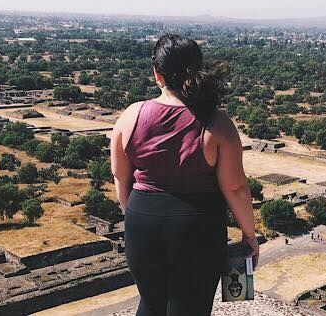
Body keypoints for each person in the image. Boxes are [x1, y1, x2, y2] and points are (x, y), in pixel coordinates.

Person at [111, 34, 258, 316]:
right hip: (196, 226)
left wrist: (135, 215)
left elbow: (121, 177)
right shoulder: (216, 123)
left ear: (157, 73)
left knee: (152, 303)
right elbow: (236, 187)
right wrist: (249, 235)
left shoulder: (131, 115)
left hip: (142, 221)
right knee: (190, 307)